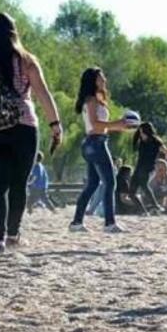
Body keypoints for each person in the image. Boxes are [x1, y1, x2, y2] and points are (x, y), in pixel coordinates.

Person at [0, 12, 63, 252]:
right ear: (13, 34)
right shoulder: (26, 60)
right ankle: (13, 235)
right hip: (22, 127)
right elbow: (43, 94)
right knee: (19, 184)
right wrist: (55, 124)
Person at [69, 67, 131, 233]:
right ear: (93, 81)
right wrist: (117, 124)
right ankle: (109, 223)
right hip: (96, 143)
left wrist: (118, 127)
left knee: (92, 184)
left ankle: (76, 222)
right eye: (100, 77)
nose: (104, 79)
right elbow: (95, 124)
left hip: (92, 143)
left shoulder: (94, 99)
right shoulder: (91, 101)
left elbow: (99, 126)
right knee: (110, 182)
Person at [131, 122, 167, 213]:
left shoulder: (156, 142)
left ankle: (155, 205)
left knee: (144, 185)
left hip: (147, 167)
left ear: (147, 131)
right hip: (138, 167)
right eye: (140, 132)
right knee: (131, 193)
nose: (141, 134)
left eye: (142, 132)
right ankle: (143, 210)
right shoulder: (141, 141)